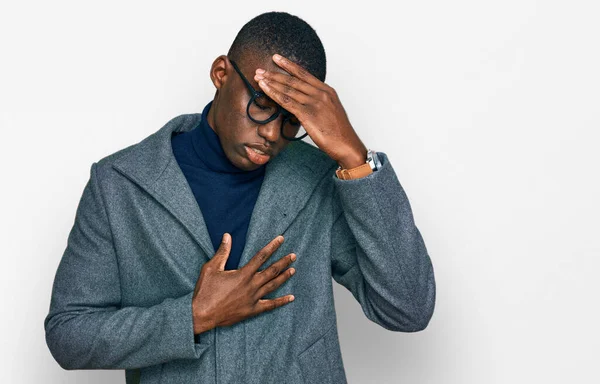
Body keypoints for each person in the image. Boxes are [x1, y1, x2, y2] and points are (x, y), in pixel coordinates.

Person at [44, 11, 436, 384]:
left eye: (291, 121)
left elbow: (408, 308)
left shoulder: (319, 179)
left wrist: (355, 157)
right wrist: (193, 317)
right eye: (262, 106)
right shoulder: (120, 183)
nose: (271, 134)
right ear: (221, 74)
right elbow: (69, 334)